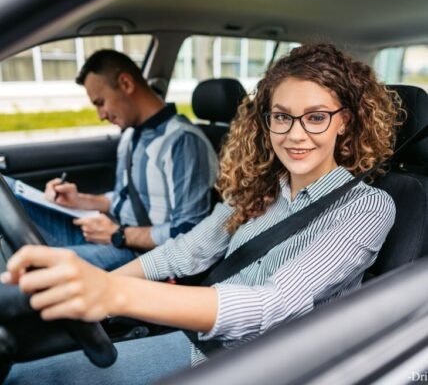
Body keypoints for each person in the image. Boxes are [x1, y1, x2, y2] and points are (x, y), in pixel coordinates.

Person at [2, 43, 400, 384]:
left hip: (258, 363)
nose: (295, 134)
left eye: (316, 117)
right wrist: (100, 285)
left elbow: (272, 305)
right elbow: (187, 250)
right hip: (198, 334)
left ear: (344, 121)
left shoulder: (366, 206)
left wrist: (113, 293)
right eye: (281, 116)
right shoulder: (259, 188)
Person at [6, 49, 218, 270]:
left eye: (100, 102)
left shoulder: (183, 142)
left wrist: (119, 235)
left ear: (126, 84)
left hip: (140, 254)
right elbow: (122, 198)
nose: (100, 115)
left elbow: (190, 232)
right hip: (112, 234)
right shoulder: (130, 135)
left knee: (34, 267)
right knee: (10, 192)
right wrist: (79, 200)